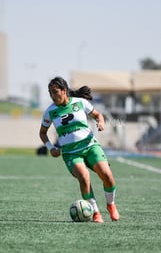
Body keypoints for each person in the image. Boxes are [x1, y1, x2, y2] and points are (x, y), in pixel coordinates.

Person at [39, 76, 120, 223]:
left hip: (90, 146)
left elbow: (98, 115)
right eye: (50, 93)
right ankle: (95, 212)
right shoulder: (50, 112)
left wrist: (101, 123)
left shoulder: (80, 103)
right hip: (71, 153)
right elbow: (42, 133)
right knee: (84, 177)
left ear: (64, 91)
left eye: (55, 92)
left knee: (107, 175)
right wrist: (51, 148)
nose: (52, 96)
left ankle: (111, 205)